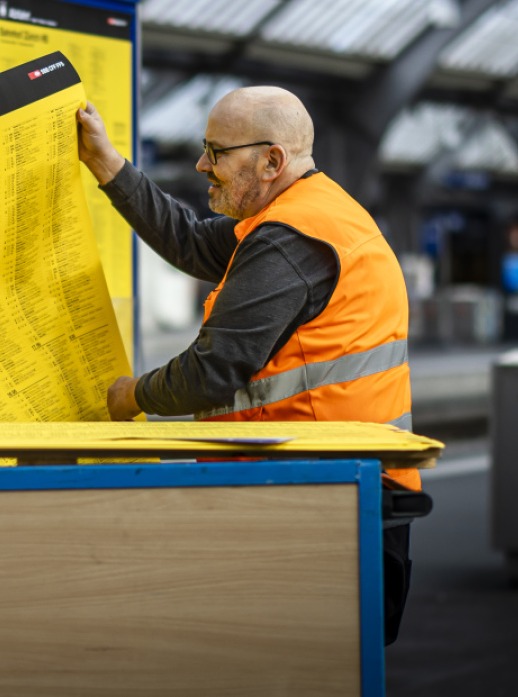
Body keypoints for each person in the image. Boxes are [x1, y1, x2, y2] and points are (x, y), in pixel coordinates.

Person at [76, 85, 419, 643]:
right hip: (326, 492)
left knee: (302, 666)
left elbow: (213, 371)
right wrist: (108, 165)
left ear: (272, 161)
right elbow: (188, 240)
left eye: (216, 152)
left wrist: (128, 396)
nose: (201, 164)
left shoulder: (290, 240)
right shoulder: (300, 215)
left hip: (328, 504)